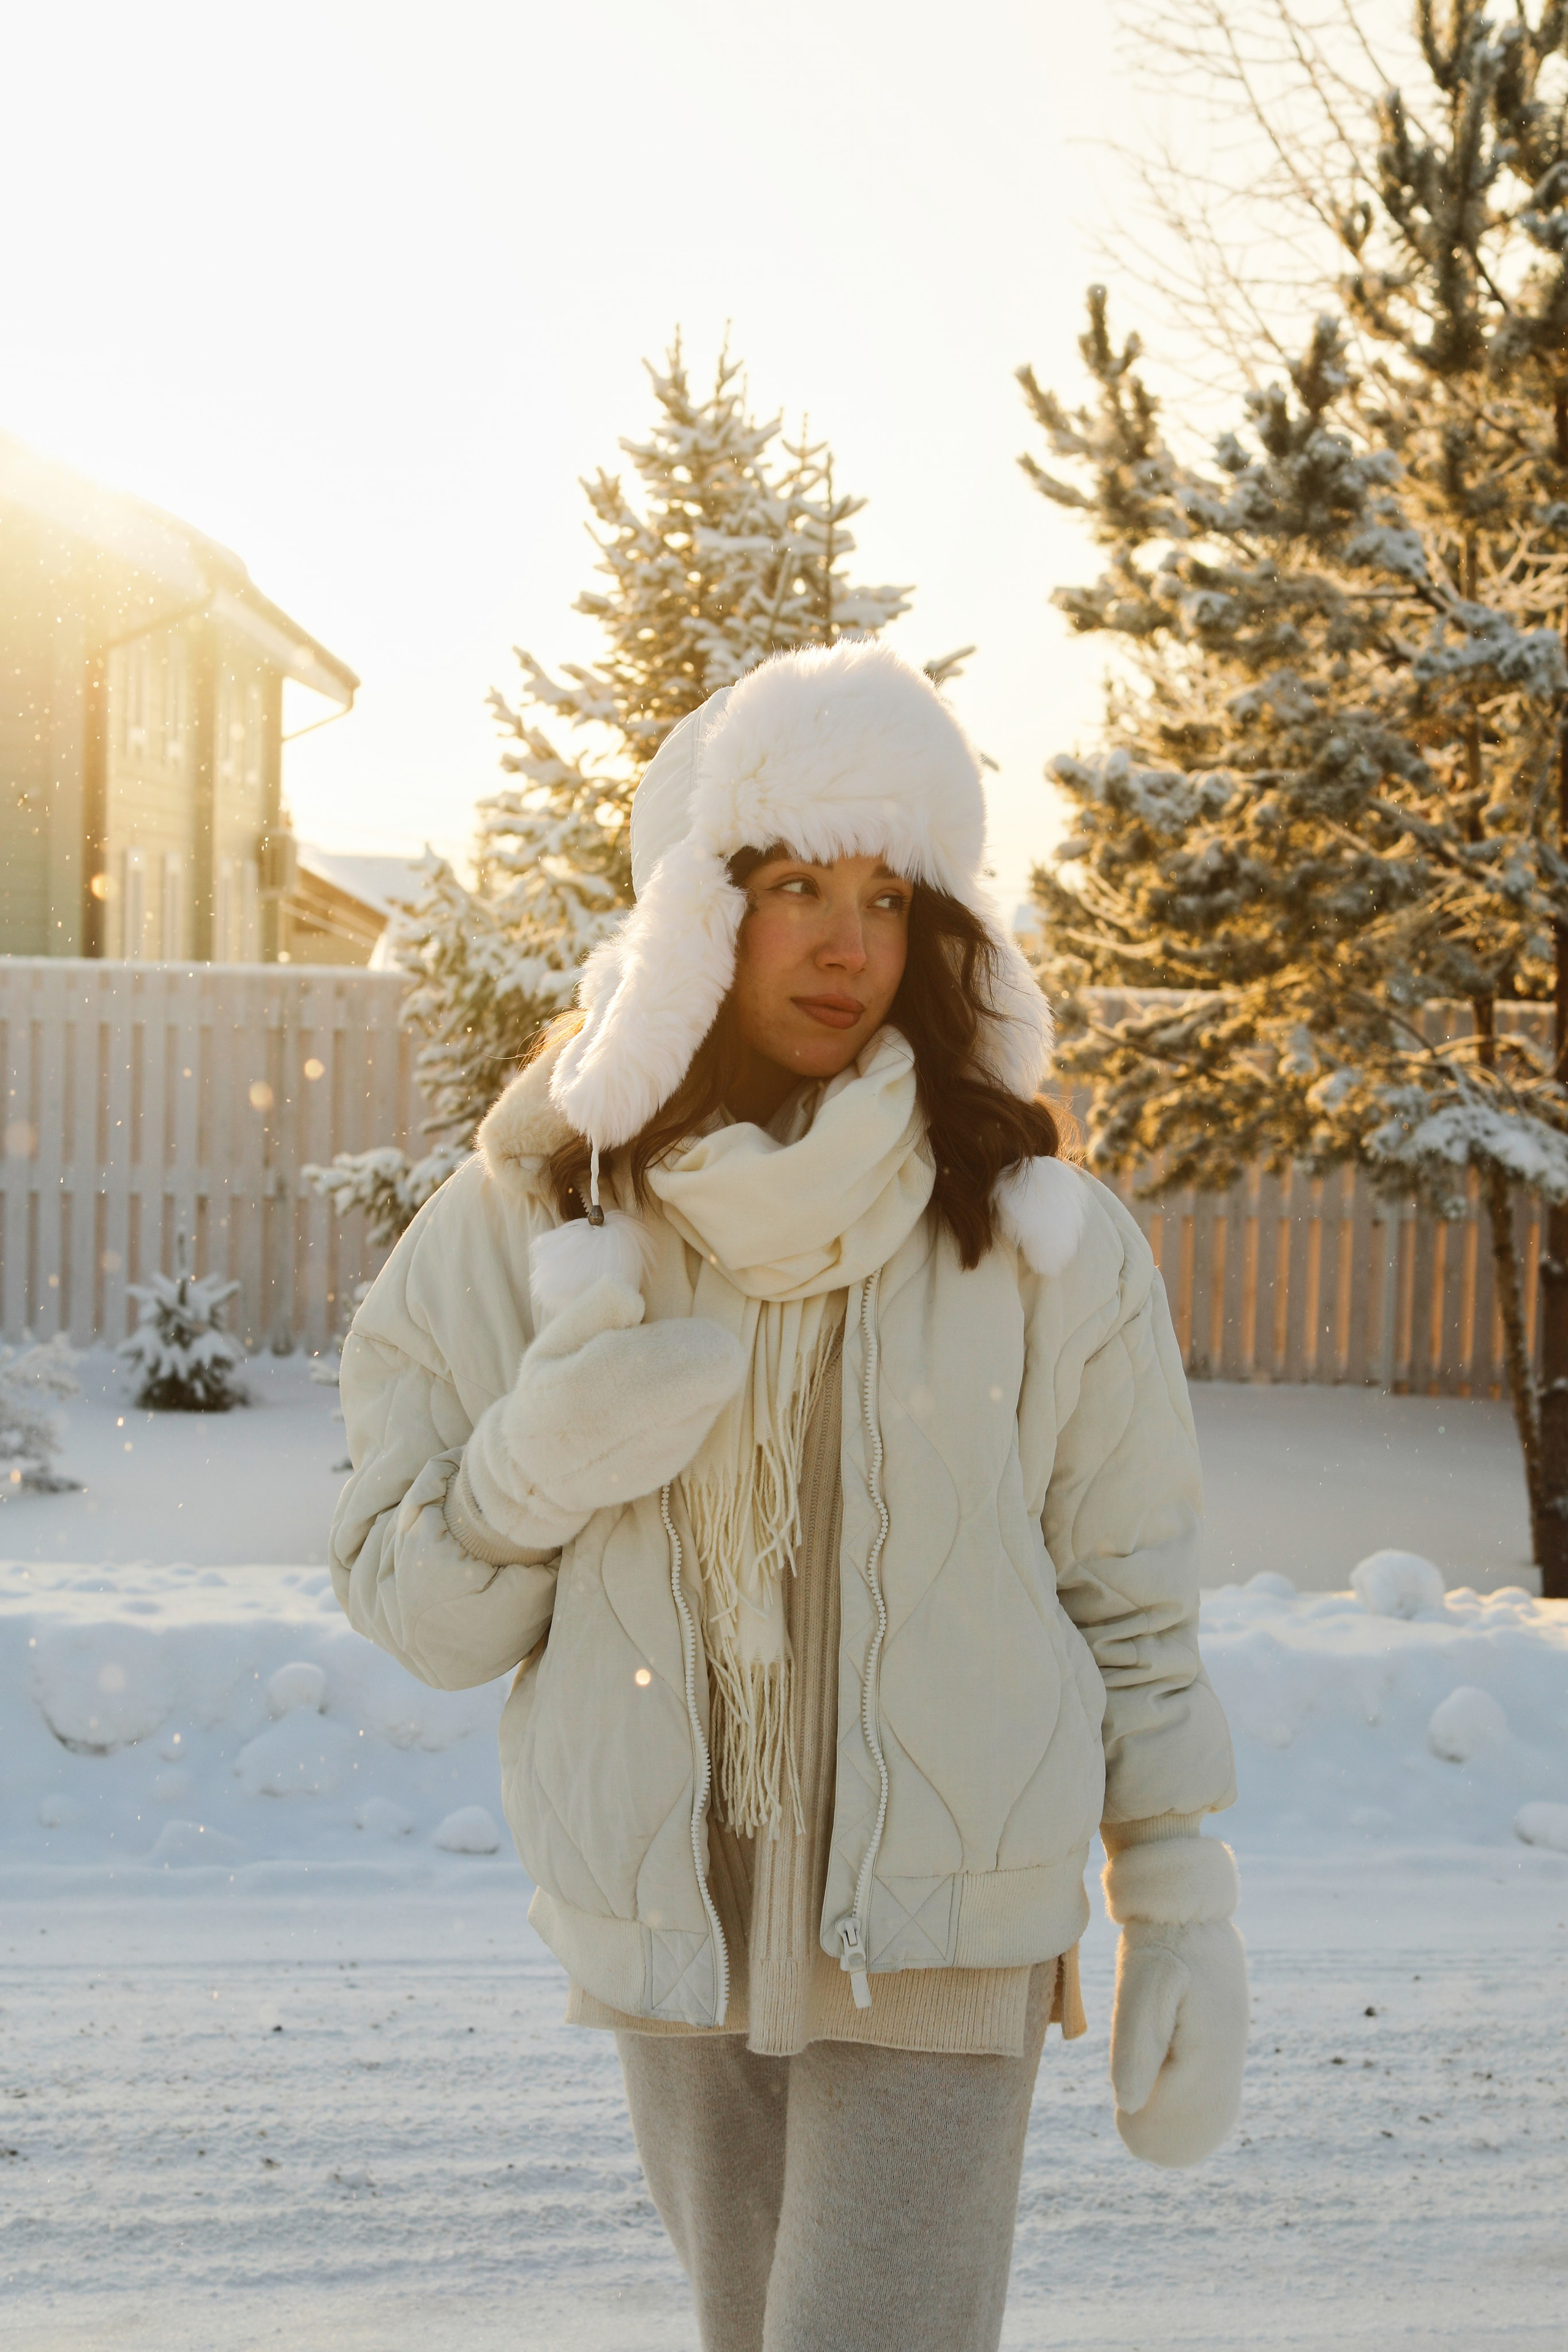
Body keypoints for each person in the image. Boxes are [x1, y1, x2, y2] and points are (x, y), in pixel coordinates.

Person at [330, 640, 1246, 2352]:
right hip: (680, 1911)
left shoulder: (1033, 1235)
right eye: (794, 885)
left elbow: (1129, 1590)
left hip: (945, 1912)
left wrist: (1177, 1900)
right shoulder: (538, 1221)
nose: (844, 942)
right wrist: (530, 1474)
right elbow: (415, 1607)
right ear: (698, 914)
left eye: (887, 897)